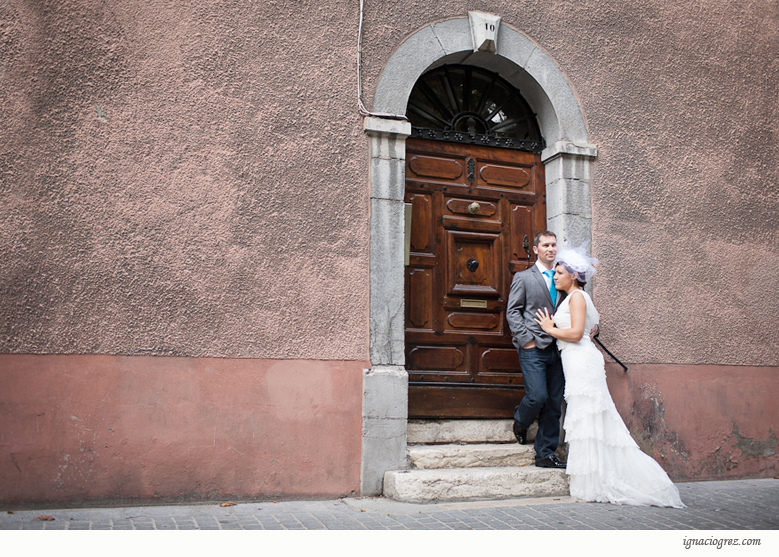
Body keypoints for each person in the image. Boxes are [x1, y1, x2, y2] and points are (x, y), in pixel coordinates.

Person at [534, 244, 685, 508]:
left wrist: (549, 328)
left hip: (581, 361)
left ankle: (597, 482)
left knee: (588, 416)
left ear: (572, 276)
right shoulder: (572, 298)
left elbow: (576, 333)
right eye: (555, 272)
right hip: (575, 361)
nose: (555, 276)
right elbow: (591, 327)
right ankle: (591, 481)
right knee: (587, 418)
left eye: (559, 273)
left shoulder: (578, 297)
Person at [506, 231, 566, 469]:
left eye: (553, 245)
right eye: (545, 245)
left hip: (560, 348)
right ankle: (521, 420)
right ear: (535, 249)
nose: (551, 249)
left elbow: (576, 303)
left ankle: (545, 454)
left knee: (554, 403)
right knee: (537, 396)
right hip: (533, 347)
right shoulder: (524, 277)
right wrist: (526, 340)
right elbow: (513, 311)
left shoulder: (564, 278)